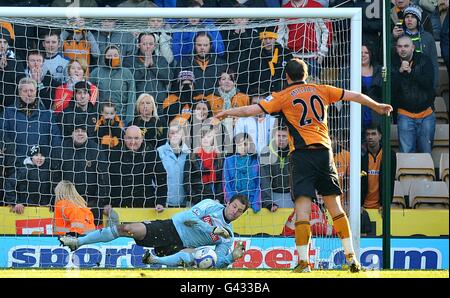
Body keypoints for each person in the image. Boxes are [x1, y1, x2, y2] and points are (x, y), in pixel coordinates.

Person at [214, 58, 393, 273]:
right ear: (305, 74)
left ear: (287, 77)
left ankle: (304, 262)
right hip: (324, 153)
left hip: (301, 156)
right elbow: (354, 95)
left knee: (303, 210)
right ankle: (351, 258)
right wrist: (377, 105)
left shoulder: (282, 96)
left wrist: (227, 112)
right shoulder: (322, 89)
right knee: (335, 207)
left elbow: (252, 110)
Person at [59, 194, 249, 269]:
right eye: (234, 207)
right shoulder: (210, 205)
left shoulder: (227, 236)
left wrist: (232, 256)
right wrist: (211, 229)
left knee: (196, 257)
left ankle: (154, 260)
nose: (235, 212)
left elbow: (217, 262)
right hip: (169, 228)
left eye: (240, 211)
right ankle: (78, 242)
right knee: (126, 228)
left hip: (180, 247)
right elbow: (186, 218)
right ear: (228, 203)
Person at [392, 35, 435, 153]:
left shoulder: (424, 60)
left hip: (426, 114)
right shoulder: (392, 63)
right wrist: (399, 73)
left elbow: (428, 84)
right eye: (400, 46)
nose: (403, 49)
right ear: (396, 48)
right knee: (406, 152)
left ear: (413, 47)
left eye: (406, 46)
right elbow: (390, 90)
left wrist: (411, 72)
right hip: (404, 113)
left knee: (426, 152)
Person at [108, 125, 167, 209]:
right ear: (124, 138)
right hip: (118, 204)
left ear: (142, 138)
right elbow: (108, 179)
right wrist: (107, 202)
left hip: (145, 203)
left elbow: (161, 177)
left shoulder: (151, 152)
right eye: (129, 138)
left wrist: (161, 202)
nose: (132, 142)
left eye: (136, 138)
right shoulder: (114, 153)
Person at [124, 32, 173, 113]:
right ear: (138, 45)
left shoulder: (161, 60)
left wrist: (153, 65)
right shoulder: (129, 61)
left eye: (151, 44)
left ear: (155, 46)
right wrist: (145, 66)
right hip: (138, 107)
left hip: (159, 106)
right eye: (145, 44)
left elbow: (169, 77)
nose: (148, 47)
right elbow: (130, 80)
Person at [90, 44, 136, 123]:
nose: (112, 58)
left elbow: (131, 97)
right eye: (109, 55)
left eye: (115, 55)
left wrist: (129, 120)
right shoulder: (96, 72)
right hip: (101, 118)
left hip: (121, 117)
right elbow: (89, 93)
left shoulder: (126, 73)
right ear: (104, 57)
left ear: (120, 56)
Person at [3, 145, 52, 214]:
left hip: (42, 210)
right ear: (31, 157)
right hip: (25, 210)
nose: (39, 158)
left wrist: (48, 203)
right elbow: (9, 183)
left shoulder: (47, 171)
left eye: (42, 156)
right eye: (36, 155)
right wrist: (15, 202)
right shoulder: (25, 170)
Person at [184, 125, 224, 205]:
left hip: (214, 200)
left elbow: (221, 181)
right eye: (203, 136)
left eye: (209, 136)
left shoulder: (220, 157)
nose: (205, 139)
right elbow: (186, 181)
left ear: (213, 139)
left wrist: (218, 199)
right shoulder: (192, 156)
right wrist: (196, 199)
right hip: (195, 201)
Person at [361, 124, 396, 214]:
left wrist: (386, 204)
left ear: (380, 136)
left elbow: (390, 182)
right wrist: (358, 205)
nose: (370, 137)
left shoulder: (389, 155)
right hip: (362, 207)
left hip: (380, 207)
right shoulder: (360, 155)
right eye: (368, 134)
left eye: (373, 134)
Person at [223, 133, 261, 213]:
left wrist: (255, 203)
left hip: (251, 203)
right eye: (239, 144)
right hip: (234, 204)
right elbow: (226, 183)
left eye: (245, 144)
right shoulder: (228, 161)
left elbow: (258, 184)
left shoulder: (255, 161)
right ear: (234, 145)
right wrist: (232, 202)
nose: (243, 147)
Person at [157, 119, 191, 207]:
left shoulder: (189, 153)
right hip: (164, 204)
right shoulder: (160, 152)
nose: (175, 135)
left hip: (184, 204)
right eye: (172, 133)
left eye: (178, 132)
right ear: (168, 135)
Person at [260, 124, 293, 211]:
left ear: (289, 137)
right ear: (274, 136)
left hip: (292, 195)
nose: (281, 139)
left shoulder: (295, 152)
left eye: (284, 136)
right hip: (273, 195)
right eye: (278, 136)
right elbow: (264, 179)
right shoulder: (266, 152)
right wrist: (268, 202)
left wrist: (298, 198)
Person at [361, 43, 383, 129]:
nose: (363, 55)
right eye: (360, 52)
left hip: (376, 115)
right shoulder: (348, 72)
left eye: (366, 52)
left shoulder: (380, 71)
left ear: (370, 54)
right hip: (357, 115)